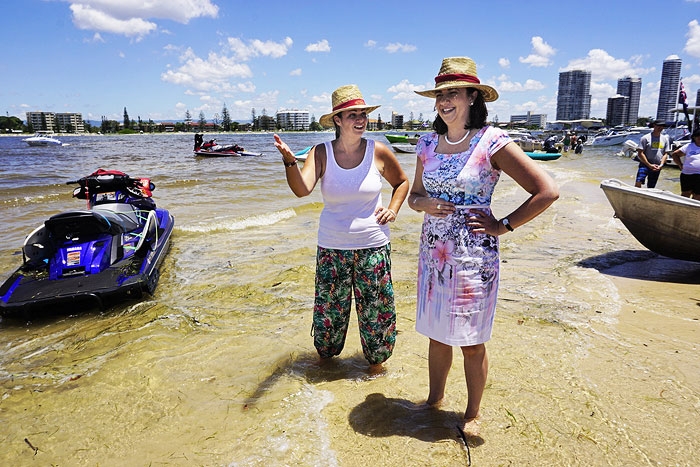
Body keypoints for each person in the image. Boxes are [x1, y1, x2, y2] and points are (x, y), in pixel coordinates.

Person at [408, 57, 559, 436]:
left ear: (473, 96)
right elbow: (413, 195)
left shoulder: (492, 141)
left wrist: (503, 225)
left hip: (474, 258)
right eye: (440, 94)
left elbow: (547, 191)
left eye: (453, 93)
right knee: (437, 335)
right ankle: (434, 401)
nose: (445, 101)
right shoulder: (426, 142)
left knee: (471, 342)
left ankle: (473, 413)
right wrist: (422, 204)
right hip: (433, 254)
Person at [273, 84, 409, 373]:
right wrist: (288, 161)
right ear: (337, 119)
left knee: (376, 313)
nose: (360, 120)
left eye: (363, 114)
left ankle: (376, 369)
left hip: (373, 245)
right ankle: (325, 368)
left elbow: (402, 183)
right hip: (332, 247)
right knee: (329, 315)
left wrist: (393, 209)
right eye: (352, 115)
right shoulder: (321, 153)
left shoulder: (379, 151)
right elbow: (302, 189)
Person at [635, 119, 671, 188]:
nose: (660, 128)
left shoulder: (665, 139)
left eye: (662, 126)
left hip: (657, 166)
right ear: (654, 125)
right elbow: (640, 153)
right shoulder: (645, 138)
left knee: (651, 186)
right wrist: (649, 165)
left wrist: (661, 165)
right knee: (638, 181)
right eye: (659, 126)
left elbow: (665, 154)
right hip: (645, 164)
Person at [670, 127, 700, 199]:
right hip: (687, 174)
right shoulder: (689, 146)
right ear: (694, 137)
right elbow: (675, 154)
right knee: (685, 194)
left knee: (698, 196)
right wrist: (680, 165)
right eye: (698, 136)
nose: (699, 138)